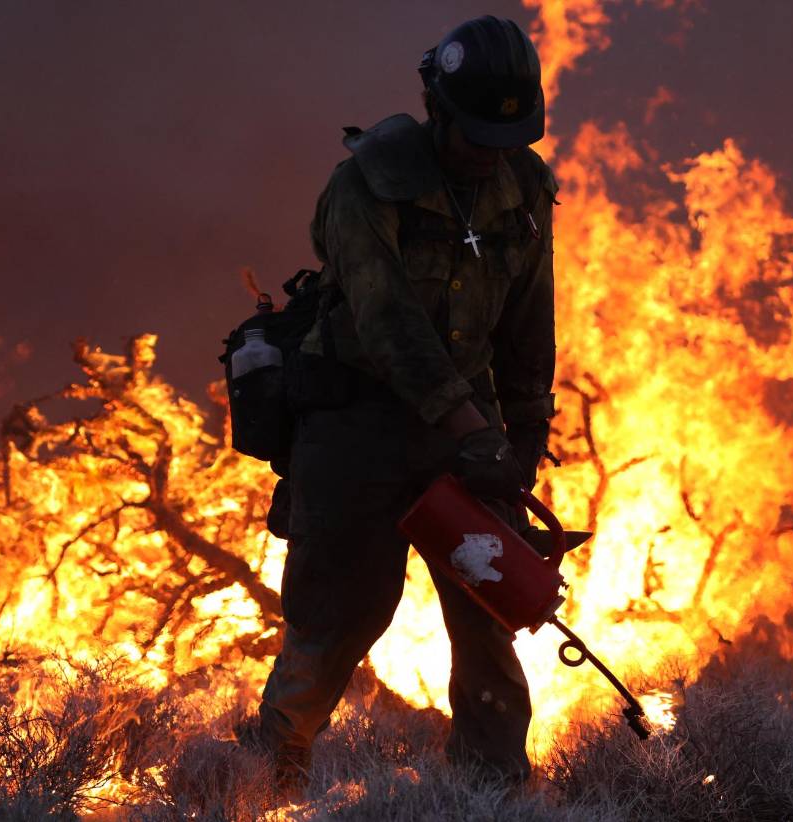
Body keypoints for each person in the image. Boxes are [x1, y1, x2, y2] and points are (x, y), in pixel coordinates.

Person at [249, 15, 558, 792]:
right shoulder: (366, 185)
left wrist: (523, 440)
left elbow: (529, 323)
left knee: (490, 611)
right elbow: (387, 322)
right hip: (356, 425)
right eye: (476, 136)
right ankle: (261, 784)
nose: (489, 154)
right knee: (339, 617)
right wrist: (473, 430)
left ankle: (492, 794)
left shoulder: (523, 188)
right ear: (438, 111)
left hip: (464, 433)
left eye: (505, 138)